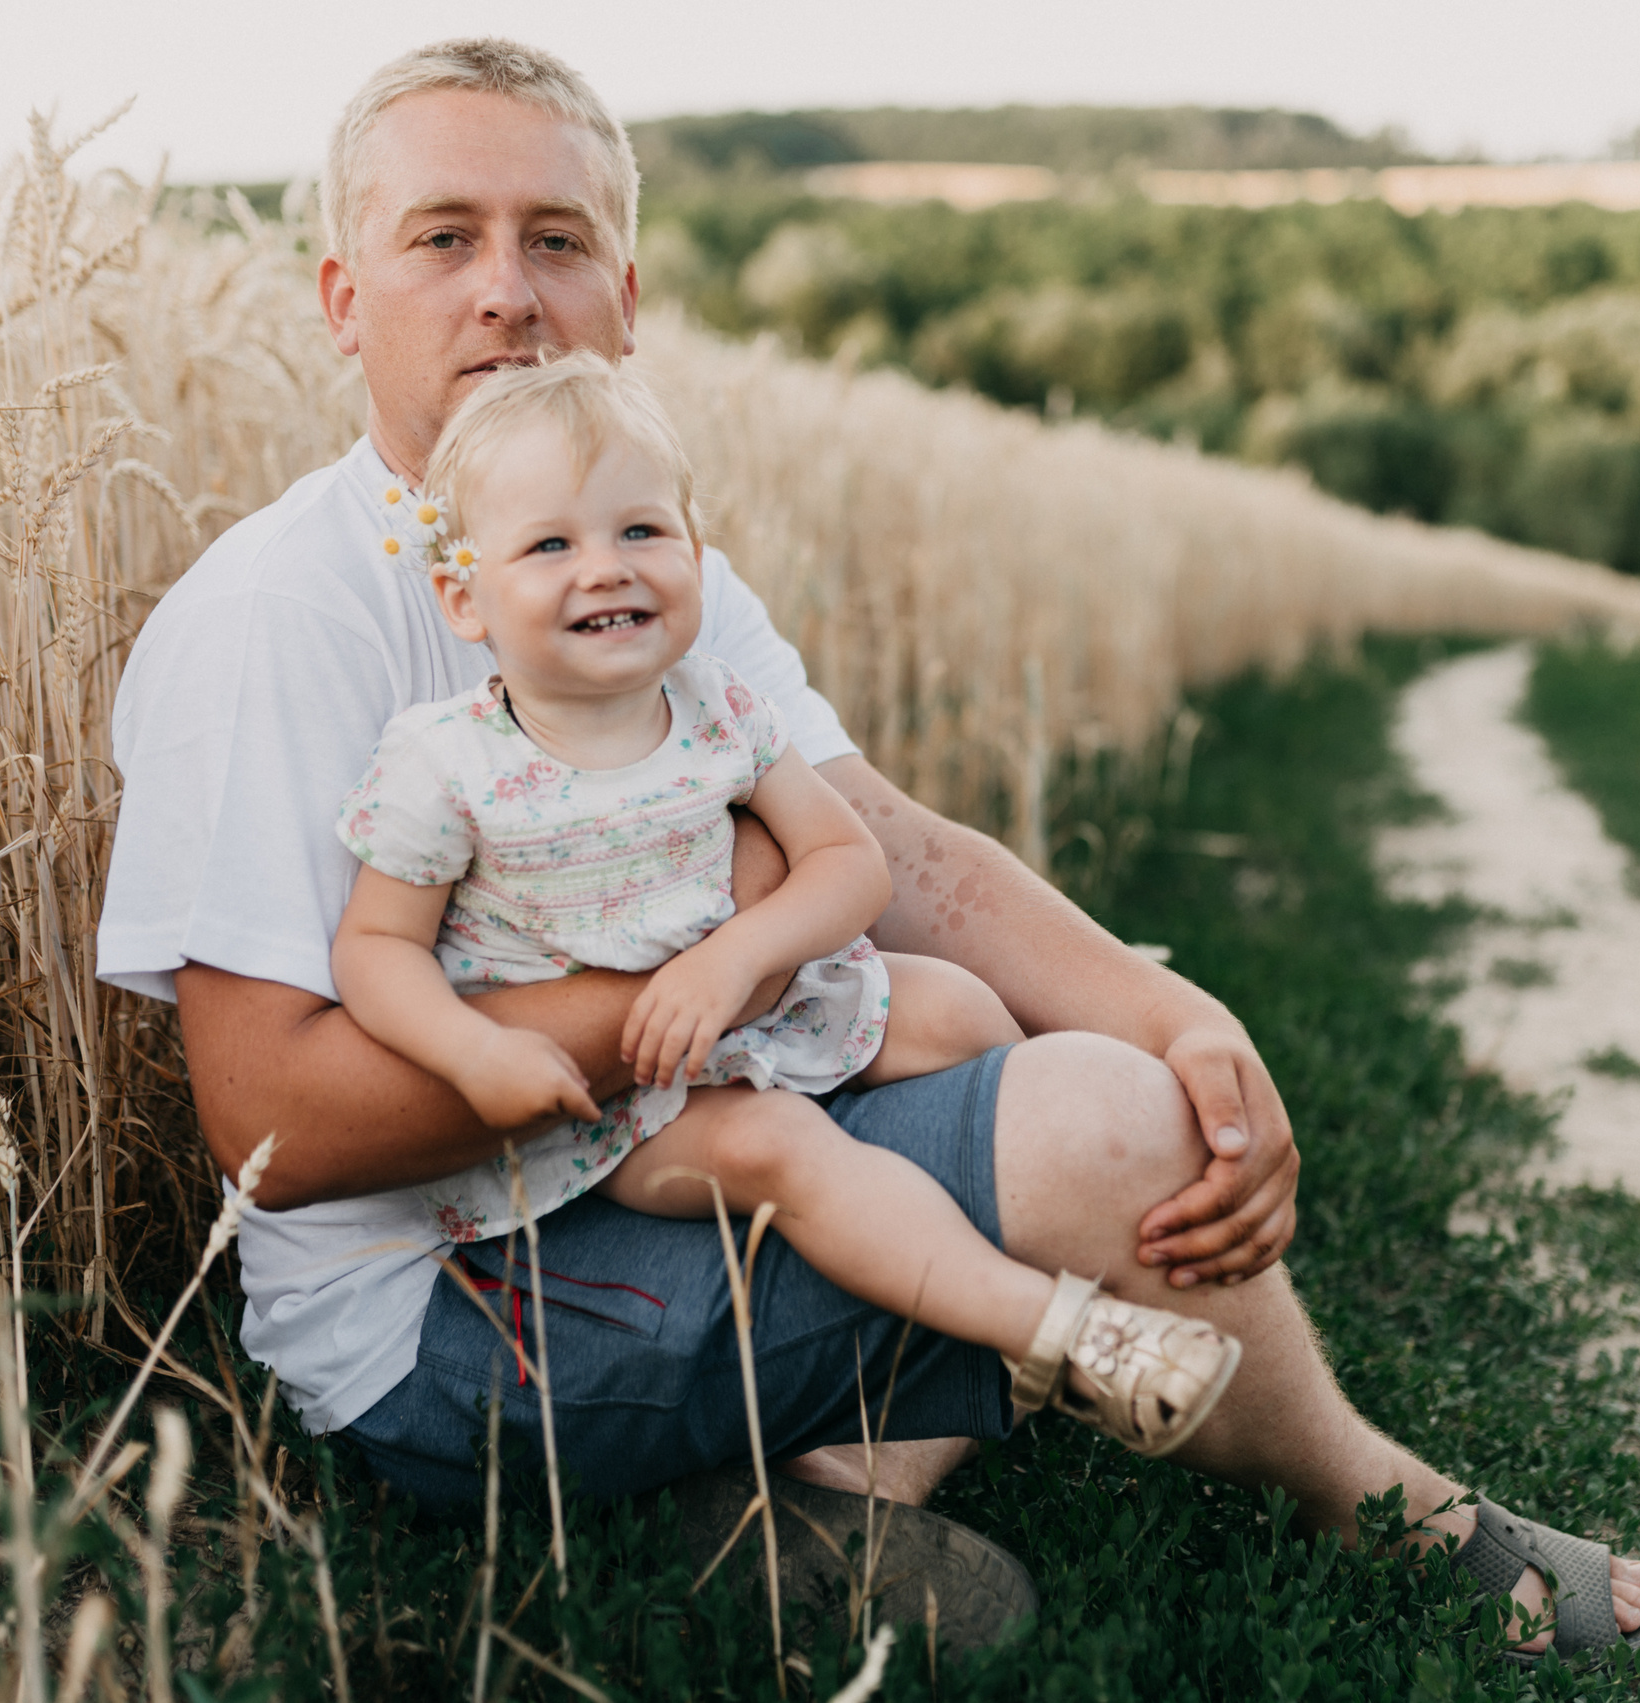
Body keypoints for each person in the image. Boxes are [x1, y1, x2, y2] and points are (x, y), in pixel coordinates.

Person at [95, 34, 1640, 1661]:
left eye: (555, 240)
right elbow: (273, 1124)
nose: (508, 291)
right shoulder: (284, 620)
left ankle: (821, 1494)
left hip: (645, 1156)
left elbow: (902, 855)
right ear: (345, 297)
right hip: (450, 1315)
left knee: (1049, 1020)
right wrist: (685, 987)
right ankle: (1387, 1507)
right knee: (1101, 1127)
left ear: (623, 298)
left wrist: (1185, 1021)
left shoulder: (639, 569)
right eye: (444, 238)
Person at [327, 352, 1242, 1459]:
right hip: (625, 1107)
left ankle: (995, 1280)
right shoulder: (446, 764)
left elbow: (849, 865)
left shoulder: (718, 709)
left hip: (751, 1006)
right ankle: (1060, 1330)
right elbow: (377, 949)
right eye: (551, 545)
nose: (604, 570)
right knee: (780, 1144)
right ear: (464, 595)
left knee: (954, 1006)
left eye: (641, 532)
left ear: (696, 553)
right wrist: (473, 1056)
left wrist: (735, 957)